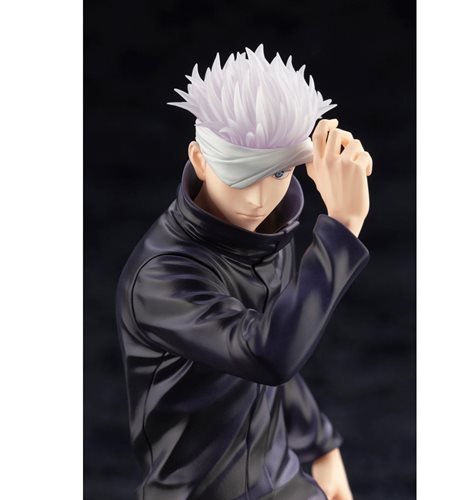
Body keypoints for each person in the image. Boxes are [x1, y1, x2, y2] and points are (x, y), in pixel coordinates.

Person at [115, 44, 372, 500]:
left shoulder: (270, 235)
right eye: (240, 173)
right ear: (200, 159)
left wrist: (321, 447)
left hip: (279, 477)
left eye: (278, 174)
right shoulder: (160, 276)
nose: (258, 199)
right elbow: (266, 355)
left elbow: (280, 333)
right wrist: (342, 227)